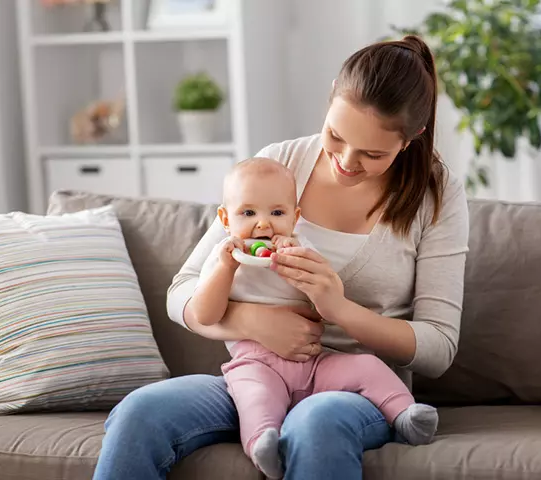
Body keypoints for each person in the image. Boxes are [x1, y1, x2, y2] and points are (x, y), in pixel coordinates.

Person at [92, 34, 469, 480]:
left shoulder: (435, 197)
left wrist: (339, 309)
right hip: (255, 378)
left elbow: (439, 348)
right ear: (330, 97)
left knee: (315, 423)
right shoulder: (279, 164)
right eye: (336, 135)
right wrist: (251, 322)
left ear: (412, 139)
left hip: (354, 392)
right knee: (141, 412)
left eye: (373, 154)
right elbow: (181, 293)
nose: (346, 161)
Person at [198, 156, 439, 478]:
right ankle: (262, 445)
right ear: (225, 218)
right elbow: (205, 314)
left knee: (368, 366)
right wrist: (227, 269)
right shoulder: (222, 257)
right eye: (248, 213)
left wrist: (301, 264)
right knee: (255, 396)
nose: (263, 224)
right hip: (256, 363)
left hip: (316, 362)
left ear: (295, 217)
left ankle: (406, 416)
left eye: (277, 213)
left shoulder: (302, 248)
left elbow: (329, 296)